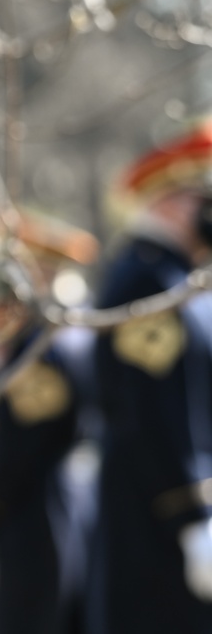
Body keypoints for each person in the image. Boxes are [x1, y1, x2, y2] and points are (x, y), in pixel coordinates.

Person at [0, 214, 101, 634]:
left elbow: (20, 449)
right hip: (66, 507)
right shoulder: (72, 337)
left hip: (33, 518)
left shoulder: (40, 350)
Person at [89, 119, 212, 633]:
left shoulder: (175, 277)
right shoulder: (148, 281)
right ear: (173, 202)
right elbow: (154, 411)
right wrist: (191, 519)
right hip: (156, 519)